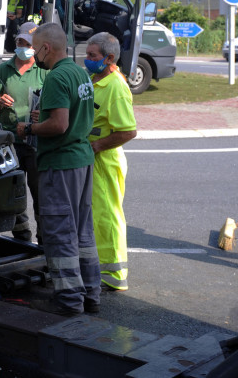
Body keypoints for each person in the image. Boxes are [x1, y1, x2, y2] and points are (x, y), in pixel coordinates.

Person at [16, 23, 100, 316]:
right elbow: (71, 115)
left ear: (45, 48)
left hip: (61, 164)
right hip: (81, 160)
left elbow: (59, 125)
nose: (32, 51)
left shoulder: (56, 77)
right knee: (82, 232)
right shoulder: (79, 73)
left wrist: (28, 127)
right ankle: (91, 294)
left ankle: (69, 300)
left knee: (60, 233)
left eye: (34, 46)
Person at [85, 32, 137, 291]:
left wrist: (95, 146)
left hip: (105, 161)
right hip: (95, 160)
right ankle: (100, 268)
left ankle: (115, 276)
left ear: (109, 57)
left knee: (108, 217)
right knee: (97, 216)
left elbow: (127, 131)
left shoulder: (115, 86)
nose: (88, 60)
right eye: (87, 55)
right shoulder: (97, 80)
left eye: (92, 56)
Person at [0, 21, 47, 243]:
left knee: (40, 192)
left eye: (27, 43)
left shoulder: (45, 70)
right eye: (19, 41)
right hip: (10, 140)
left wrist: (42, 113)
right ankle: (21, 234)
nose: (22, 46)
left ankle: (44, 237)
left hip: (35, 141)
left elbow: (55, 104)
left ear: (36, 46)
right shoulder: (3, 70)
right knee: (14, 190)